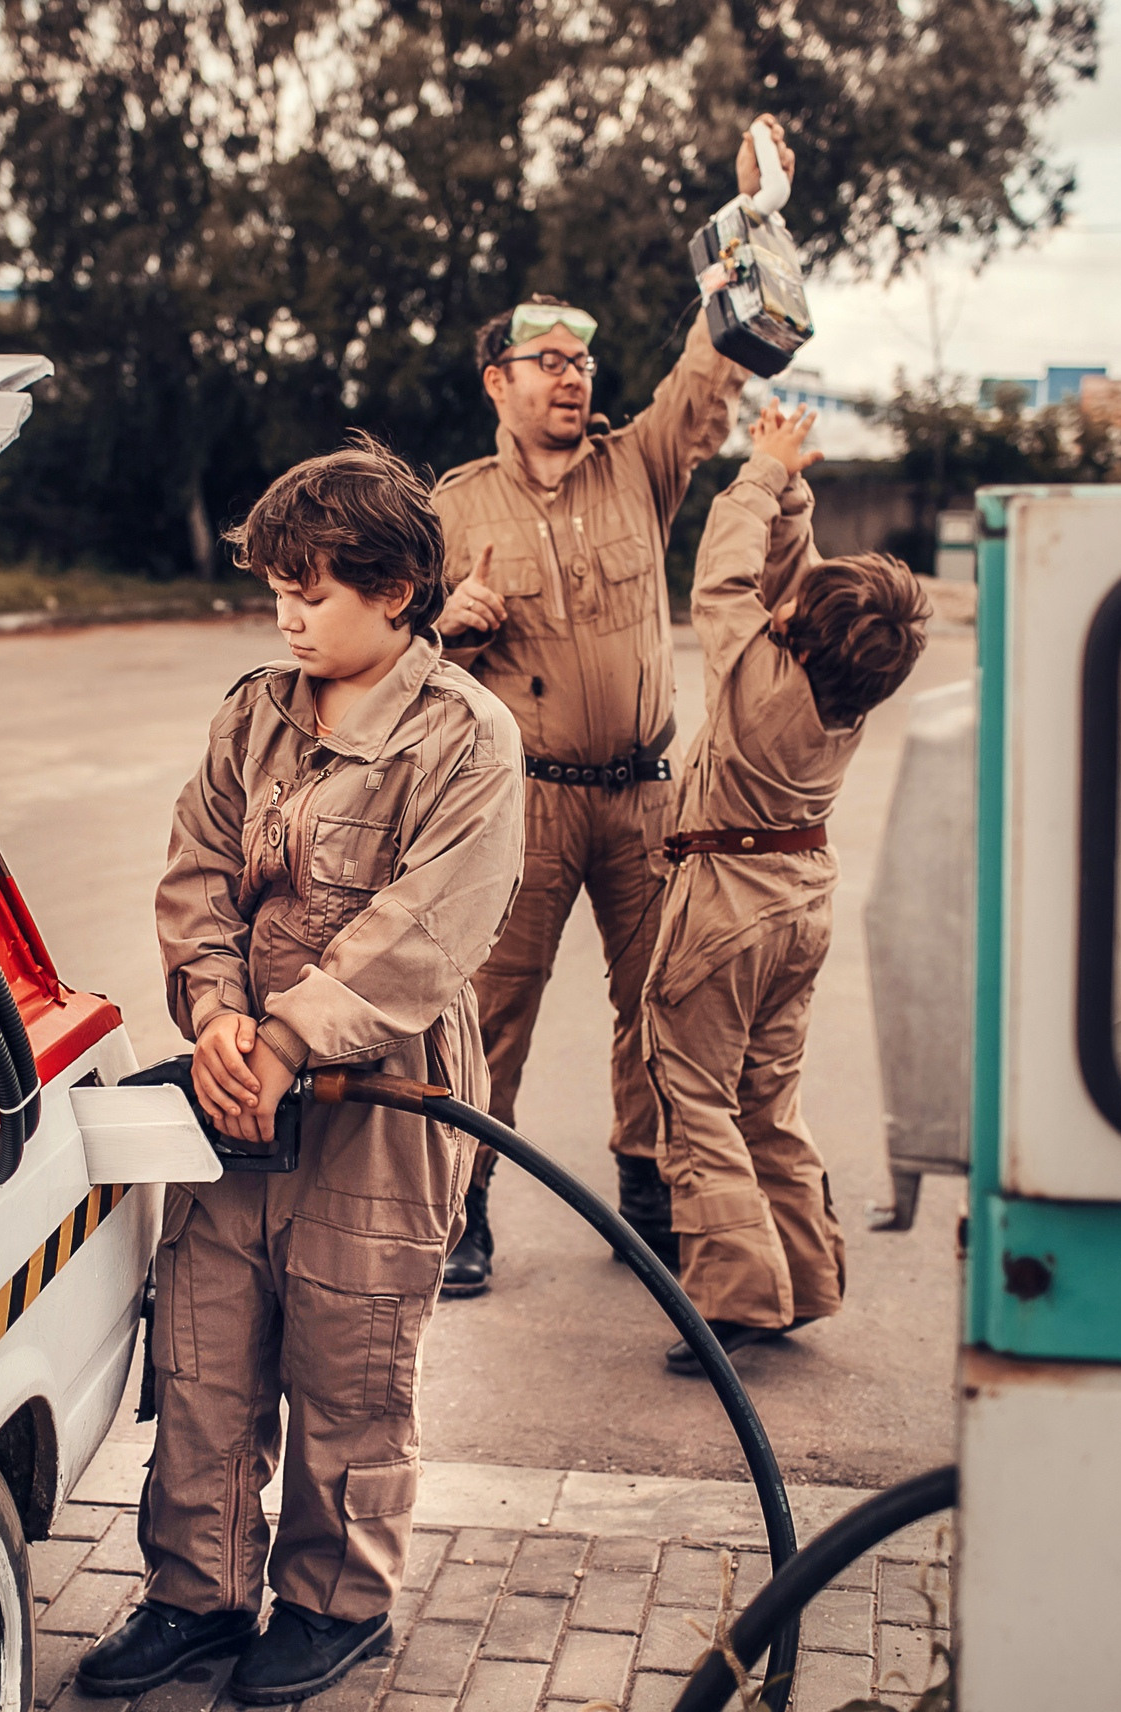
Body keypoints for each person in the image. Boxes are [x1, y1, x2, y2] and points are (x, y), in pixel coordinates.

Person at [79, 437, 524, 1703]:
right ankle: (197, 1596)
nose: (286, 614)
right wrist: (217, 1017)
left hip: (377, 1103)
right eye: (274, 587)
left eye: (312, 590)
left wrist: (283, 1042)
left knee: (349, 1363)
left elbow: (426, 927)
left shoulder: (466, 737)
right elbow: (197, 874)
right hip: (237, 1094)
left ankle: (334, 1603)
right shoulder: (254, 707)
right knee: (209, 1352)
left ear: (395, 591)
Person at [428, 117, 799, 1294]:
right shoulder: (451, 503)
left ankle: (647, 1198)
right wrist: (450, 624)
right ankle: (461, 1207)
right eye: (546, 360)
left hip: (645, 794)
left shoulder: (643, 461)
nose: (571, 374)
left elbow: (711, 366)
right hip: (520, 802)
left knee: (658, 1008)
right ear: (498, 380)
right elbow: (392, 646)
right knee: (490, 1010)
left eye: (581, 360)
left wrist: (751, 219)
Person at [641, 402, 928, 1371]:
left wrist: (758, 474)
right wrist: (791, 481)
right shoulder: (843, 686)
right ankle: (805, 1273)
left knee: (693, 1090)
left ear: (797, 639)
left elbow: (721, 573)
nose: (783, 604)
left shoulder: (758, 681)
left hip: (727, 893)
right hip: (801, 890)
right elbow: (795, 582)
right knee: (767, 1094)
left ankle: (736, 1298)